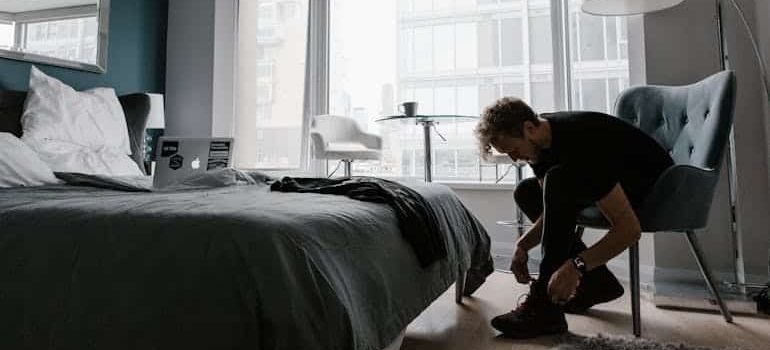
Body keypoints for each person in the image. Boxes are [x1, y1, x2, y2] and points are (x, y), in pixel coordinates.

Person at [474, 97, 674, 339]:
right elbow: (551, 209)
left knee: (558, 180)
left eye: (514, 150)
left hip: (657, 188)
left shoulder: (581, 144)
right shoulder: (539, 148)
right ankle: (598, 283)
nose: (515, 159)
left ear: (529, 128)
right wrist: (523, 245)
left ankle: (546, 310)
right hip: (608, 180)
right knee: (527, 191)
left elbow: (629, 230)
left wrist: (576, 266)